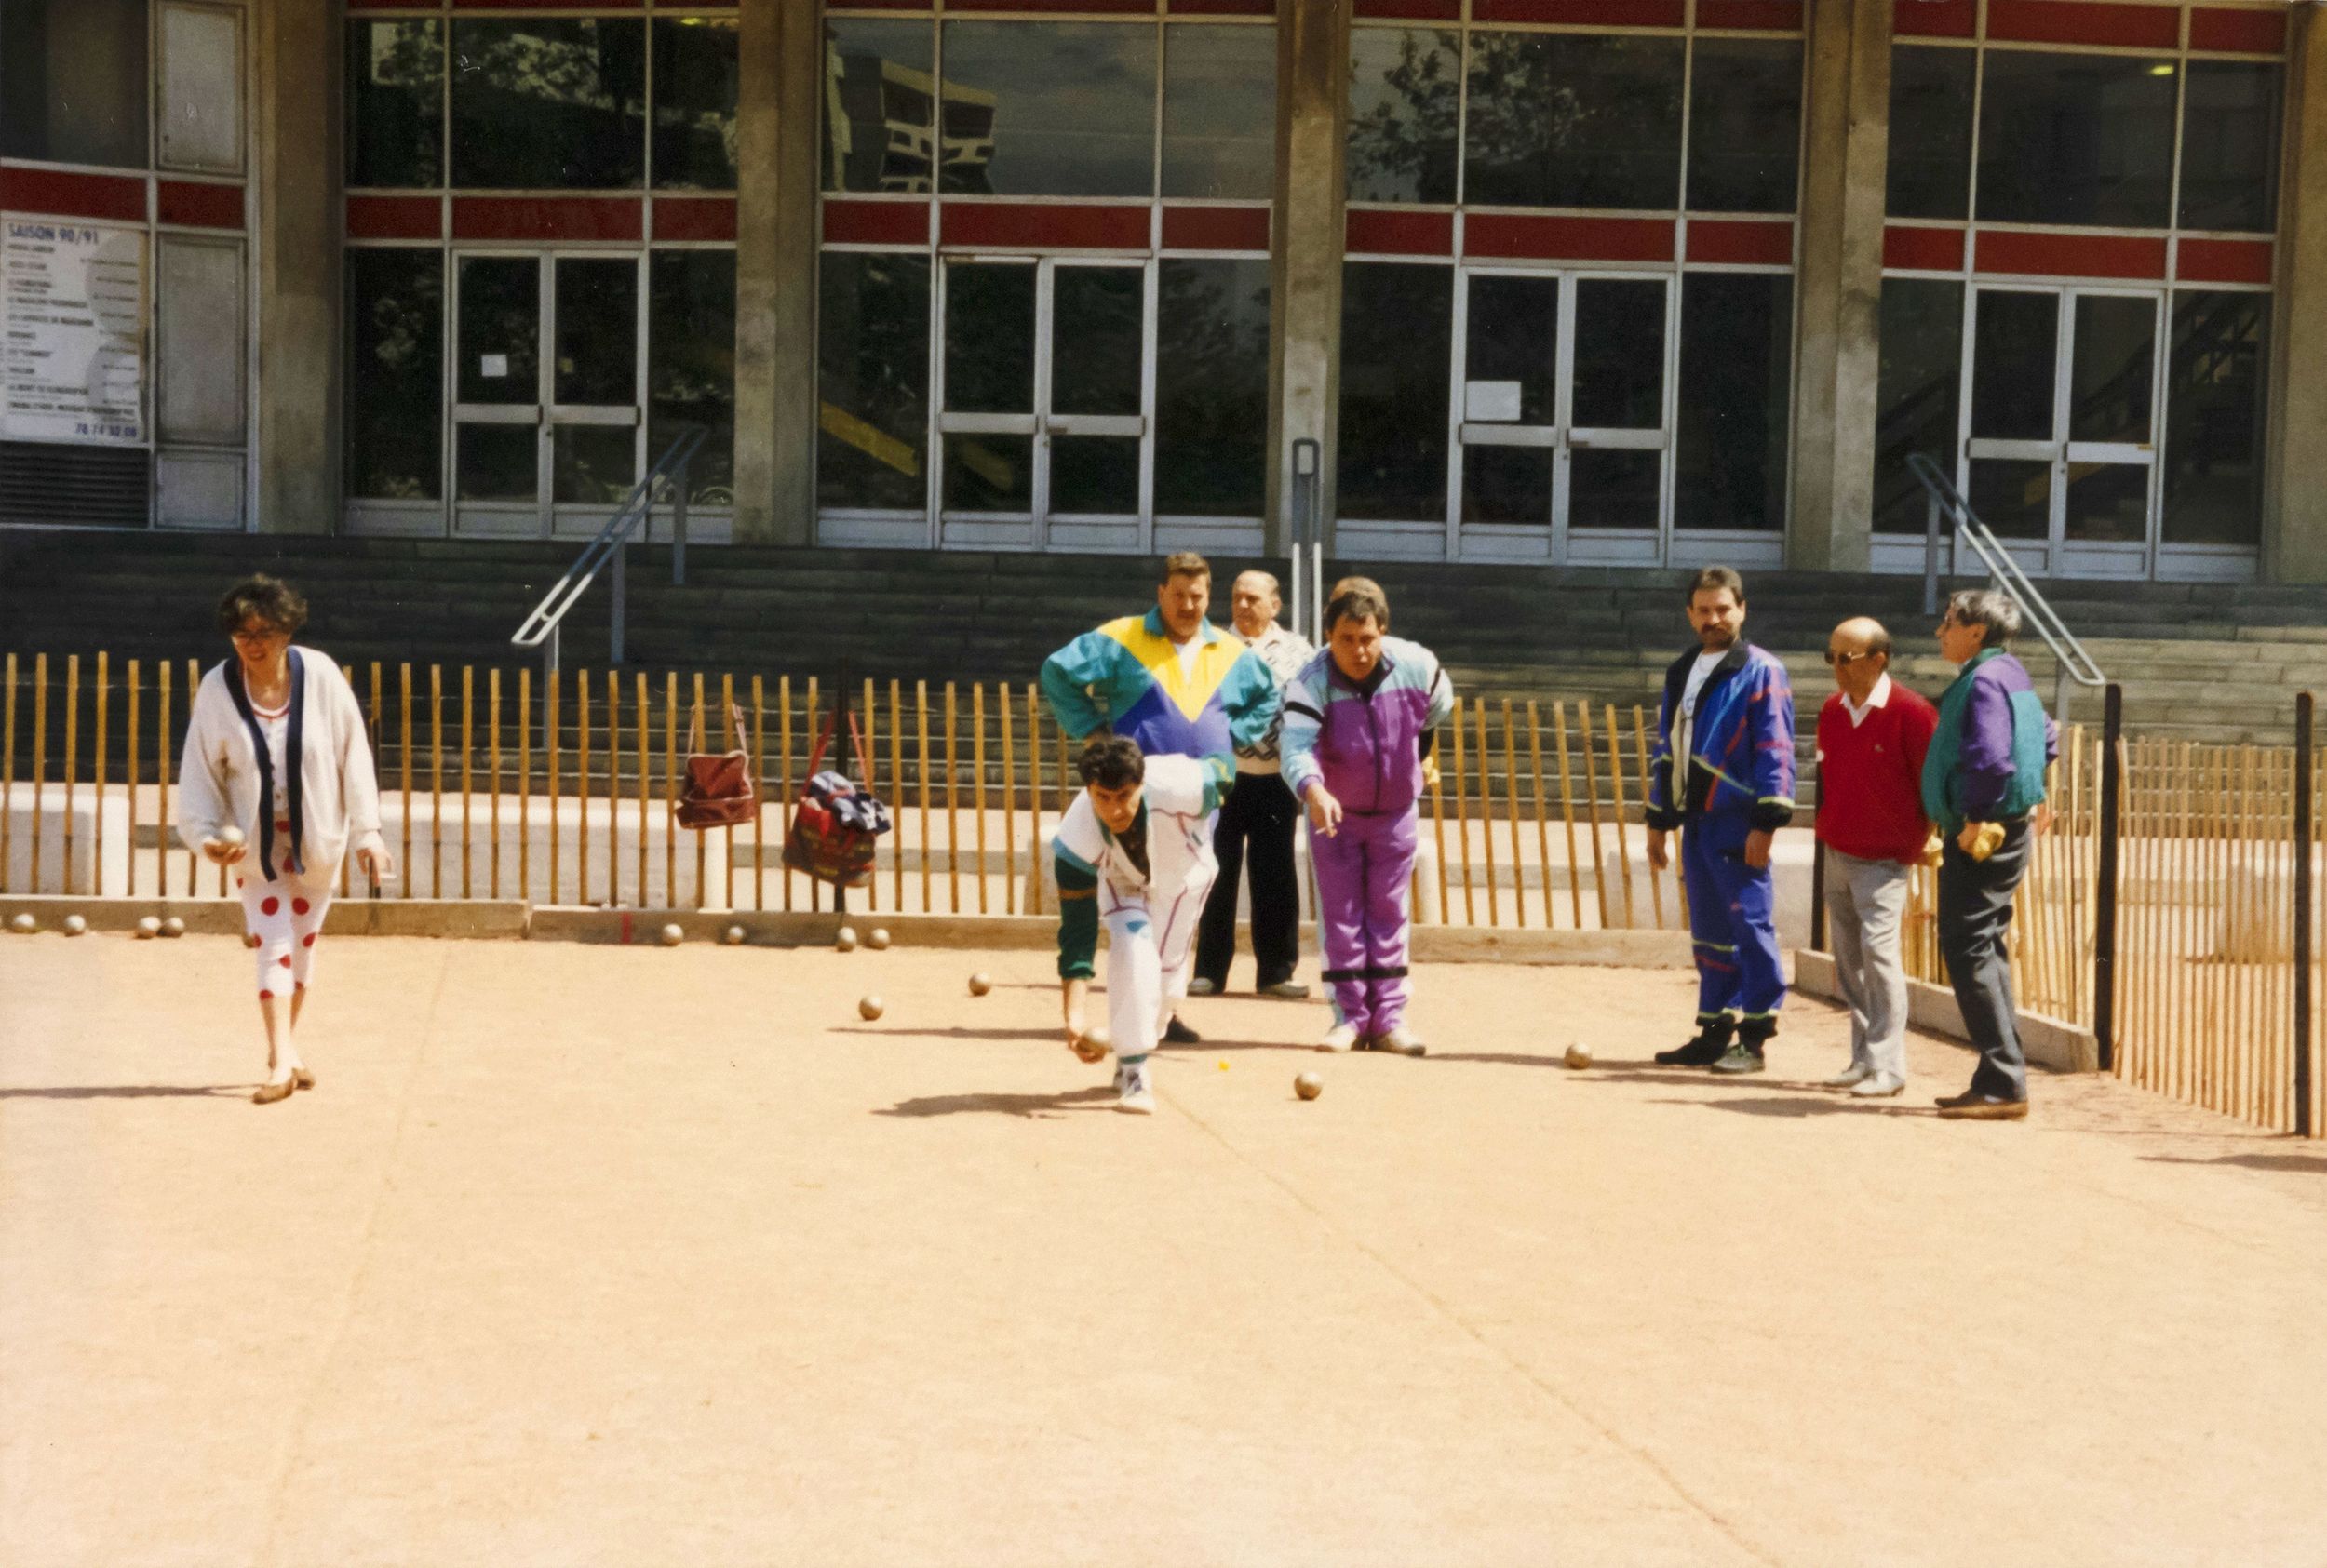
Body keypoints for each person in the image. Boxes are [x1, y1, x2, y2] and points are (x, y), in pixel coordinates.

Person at [1039, 552, 1282, 1045]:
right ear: (1161, 595)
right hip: (1134, 802)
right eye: (1179, 596)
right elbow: (1057, 671)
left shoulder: (1231, 651)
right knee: (1139, 905)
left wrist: (1233, 734)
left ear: (1208, 596)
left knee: (1181, 903)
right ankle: (1136, 1016)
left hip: (1202, 799)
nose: (1189, 606)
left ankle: (1163, 1015)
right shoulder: (1123, 637)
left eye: (1198, 596)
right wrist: (1091, 732)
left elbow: (1268, 696)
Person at [177, 575, 397, 1104]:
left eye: (266, 632)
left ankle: (288, 1048)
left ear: (287, 631)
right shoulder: (216, 688)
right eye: (242, 634)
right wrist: (207, 838)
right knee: (272, 940)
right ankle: (279, 1060)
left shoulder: (319, 675)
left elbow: (353, 754)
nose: (254, 644)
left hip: (318, 838)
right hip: (255, 849)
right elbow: (200, 771)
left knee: (303, 945)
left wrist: (368, 832)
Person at [1278, 581, 1452, 1055]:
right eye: (1346, 640)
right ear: (1329, 637)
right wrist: (1314, 790)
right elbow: (1294, 747)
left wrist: (1411, 759)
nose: (1358, 650)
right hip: (1335, 815)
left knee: (1390, 914)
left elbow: (1438, 708)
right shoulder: (1310, 680)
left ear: (1383, 633)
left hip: (1395, 813)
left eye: (1368, 639)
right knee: (1343, 918)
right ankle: (1349, 1018)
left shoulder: (1419, 665)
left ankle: (1391, 1019)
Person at [1644, 566, 1796, 1074]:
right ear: (1690, 615)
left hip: (1737, 820)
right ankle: (1713, 1030)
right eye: (1704, 610)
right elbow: (1668, 748)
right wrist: (1658, 820)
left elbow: (1776, 749)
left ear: (1742, 610)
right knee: (1709, 930)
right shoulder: (1682, 670)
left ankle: (1753, 1040)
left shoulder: (1761, 670)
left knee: (1750, 925)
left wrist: (1767, 822)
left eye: (1723, 609)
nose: (1714, 619)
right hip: (1697, 822)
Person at [1925, 589, 2057, 1121]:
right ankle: (1998, 1075)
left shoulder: (1982, 679)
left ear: (1976, 632)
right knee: (1984, 945)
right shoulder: (2009, 672)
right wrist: (2041, 790)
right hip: (2006, 824)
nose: (1941, 631)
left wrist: (1976, 817)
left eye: (1949, 622)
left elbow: (1991, 755)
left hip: (1986, 830)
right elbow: (2046, 737)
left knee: (1967, 945)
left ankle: (2003, 1082)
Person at [1055, 736, 1233, 1114]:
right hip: (1122, 880)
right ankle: (1134, 1069)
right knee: (1134, 951)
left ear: (1141, 784)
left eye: (1124, 795)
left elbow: (1222, 767)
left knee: (1167, 980)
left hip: (1183, 878)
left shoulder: (1180, 784)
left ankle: (1145, 1035)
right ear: (1088, 789)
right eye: (1102, 797)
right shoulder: (1076, 836)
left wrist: (1219, 789)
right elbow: (1077, 932)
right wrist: (1074, 1016)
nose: (1114, 810)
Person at [1812, 617, 1939, 1099]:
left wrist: (1921, 837)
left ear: (1879, 660)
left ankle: (1890, 1067)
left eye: (1847, 658)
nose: (1837, 669)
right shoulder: (1831, 709)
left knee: (1880, 956)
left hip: (1886, 858)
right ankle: (1863, 1058)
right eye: (1832, 658)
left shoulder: (1913, 712)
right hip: (1838, 849)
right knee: (1850, 962)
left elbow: (1930, 784)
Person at [1190, 570, 1312, 1000]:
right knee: (1215, 871)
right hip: (1224, 776)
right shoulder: (1211, 646)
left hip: (1276, 780)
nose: (1243, 606)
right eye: (1237, 597)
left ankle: (1276, 973)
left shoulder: (1300, 651)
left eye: (1253, 599)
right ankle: (1208, 971)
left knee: (1276, 874)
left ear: (1275, 606)